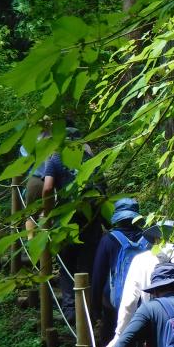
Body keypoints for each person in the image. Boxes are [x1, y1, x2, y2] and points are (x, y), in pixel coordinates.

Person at [101, 220, 174, 347]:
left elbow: (129, 302)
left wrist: (119, 334)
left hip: (153, 329)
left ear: (156, 238)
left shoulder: (141, 260)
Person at [40, 127, 102, 323]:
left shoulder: (56, 159)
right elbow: (102, 189)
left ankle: (70, 313)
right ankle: (88, 315)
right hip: (90, 220)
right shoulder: (92, 161)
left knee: (66, 265)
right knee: (86, 267)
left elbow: (48, 188)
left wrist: (48, 214)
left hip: (65, 222)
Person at [90, 198, 145, 347]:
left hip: (114, 303)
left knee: (110, 340)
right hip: (143, 300)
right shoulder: (147, 238)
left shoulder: (108, 240)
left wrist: (95, 308)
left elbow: (98, 276)